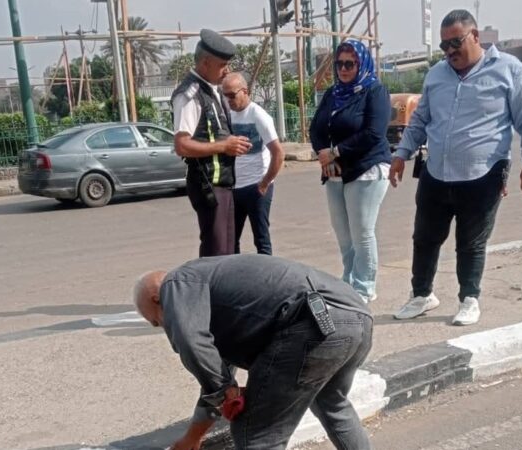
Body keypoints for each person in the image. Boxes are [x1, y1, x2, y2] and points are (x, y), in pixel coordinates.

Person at [390, 10, 522, 326]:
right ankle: (422, 295)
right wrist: (401, 154)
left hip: (482, 175)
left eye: (455, 42)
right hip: (436, 172)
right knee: (424, 238)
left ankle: (469, 298)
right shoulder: (436, 75)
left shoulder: (509, 70)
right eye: (444, 45)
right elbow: (420, 120)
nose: (449, 51)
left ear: (475, 36)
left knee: (471, 242)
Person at [133, 254, 373, 450]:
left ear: (156, 299)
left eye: (156, 322)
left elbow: (191, 342)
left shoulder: (176, 283)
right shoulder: (212, 293)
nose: (164, 326)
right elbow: (215, 378)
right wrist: (193, 437)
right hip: (354, 319)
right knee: (331, 404)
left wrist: (224, 390)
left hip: (310, 324)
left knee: (256, 433)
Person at [308, 39, 392, 303]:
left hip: (366, 168)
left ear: (361, 64)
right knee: (343, 232)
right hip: (335, 171)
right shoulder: (333, 93)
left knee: (361, 231)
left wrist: (336, 152)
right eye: (340, 64)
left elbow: (373, 133)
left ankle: (364, 287)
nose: (344, 69)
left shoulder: (374, 91)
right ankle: (350, 280)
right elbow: (316, 128)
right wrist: (324, 153)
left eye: (350, 64)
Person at [171, 29, 253, 257]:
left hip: (223, 183)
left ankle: (222, 292)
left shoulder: (212, 91)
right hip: (208, 185)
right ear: (206, 62)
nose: (227, 70)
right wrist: (224, 146)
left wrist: (232, 145)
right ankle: (207, 293)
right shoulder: (189, 95)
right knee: (215, 253)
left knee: (227, 251)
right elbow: (182, 144)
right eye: (222, 64)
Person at [221, 72, 285, 255]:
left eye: (232, 95)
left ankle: (266, 279)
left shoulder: (259, 116)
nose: (229, 100)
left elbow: (278, 153)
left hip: (256, 187)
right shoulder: (227, 115)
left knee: (261, 239)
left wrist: (265, 183)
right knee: (230, 240)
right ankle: (234, 278)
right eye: (224, 96)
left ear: (245, 91)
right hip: (234, 187)